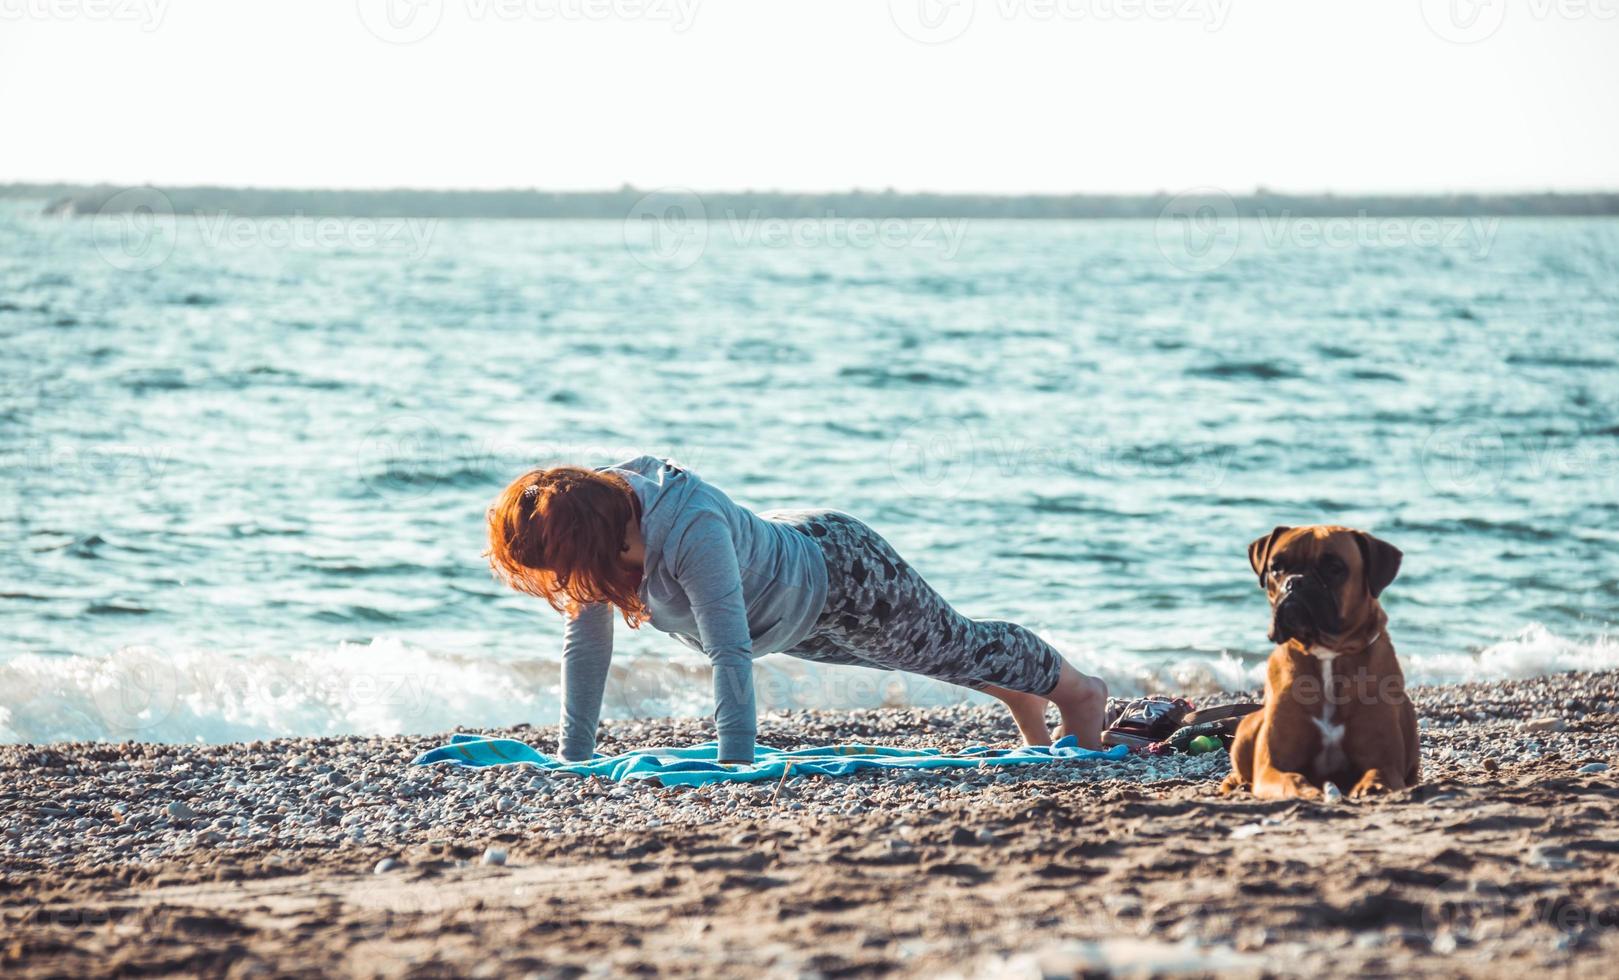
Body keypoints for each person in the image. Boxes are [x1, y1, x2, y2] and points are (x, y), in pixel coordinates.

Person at [485, 456, 1108, 764]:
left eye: (562, 569)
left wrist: (735, 763)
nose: (564, 582)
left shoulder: (689, 528)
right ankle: (1020, 696)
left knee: (955, 645)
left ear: (599, 539)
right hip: (784, 613)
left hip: (845, 576)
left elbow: (727, 651)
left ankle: (1079, 694)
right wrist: (576, 756)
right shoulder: (590, 525)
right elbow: (587, 647)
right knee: (927, 661)